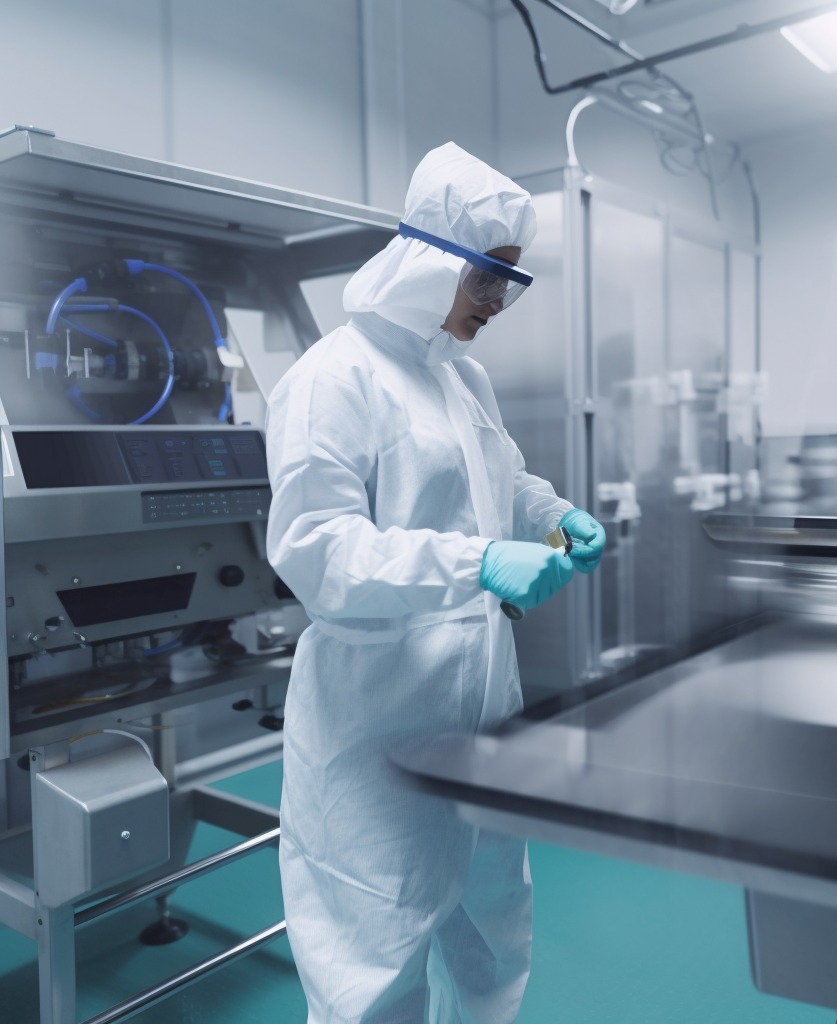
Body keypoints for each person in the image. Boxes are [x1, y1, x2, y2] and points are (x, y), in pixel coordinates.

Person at [265, 141, 606, 1024]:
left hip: (483, 715)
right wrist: (478, 563)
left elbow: (501, 478)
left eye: (510, 283)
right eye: (489, 278)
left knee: (494, 936)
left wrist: (551, 514)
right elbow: (319, 551)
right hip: (377, 731)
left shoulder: (463, 377)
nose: (498, 302)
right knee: (373, 969)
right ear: (434, 260)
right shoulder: (330, 380)